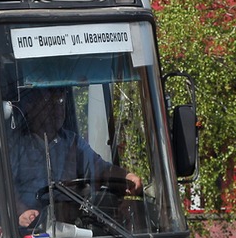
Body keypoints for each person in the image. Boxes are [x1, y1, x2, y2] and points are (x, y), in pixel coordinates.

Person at [8, 87, 141, 229]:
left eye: (60, 101)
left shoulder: (72, 143)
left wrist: (127, 176)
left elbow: (101, 169)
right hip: (30, 230)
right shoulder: (15, 145)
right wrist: (21, 211)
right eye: (49, 102)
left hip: (71, 226)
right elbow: (0, 183)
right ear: (30, 106)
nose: (57, 109)